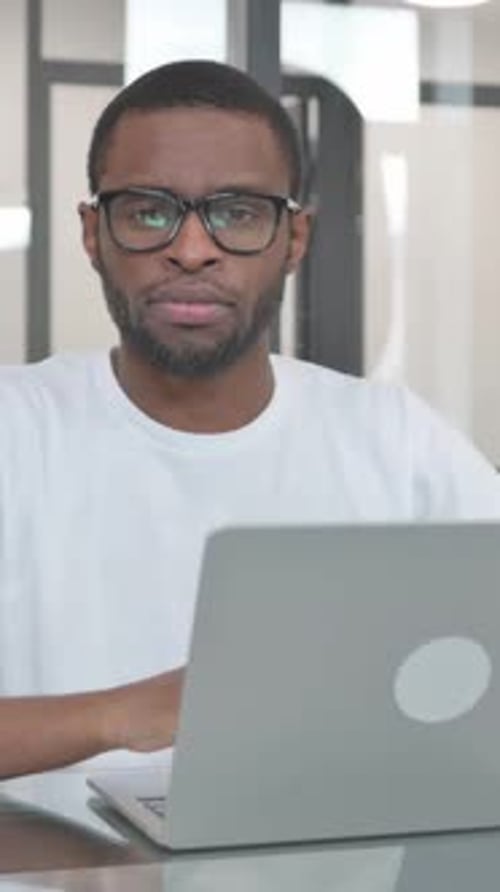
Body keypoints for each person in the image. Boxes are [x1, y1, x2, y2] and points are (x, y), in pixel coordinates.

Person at [0, 60, 499, 781]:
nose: (191, 250)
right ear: (92, 233)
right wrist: (128, 715)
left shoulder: (396, 442)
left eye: (237, 213)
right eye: (148, 212)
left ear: (294, 239)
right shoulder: (16, 432)